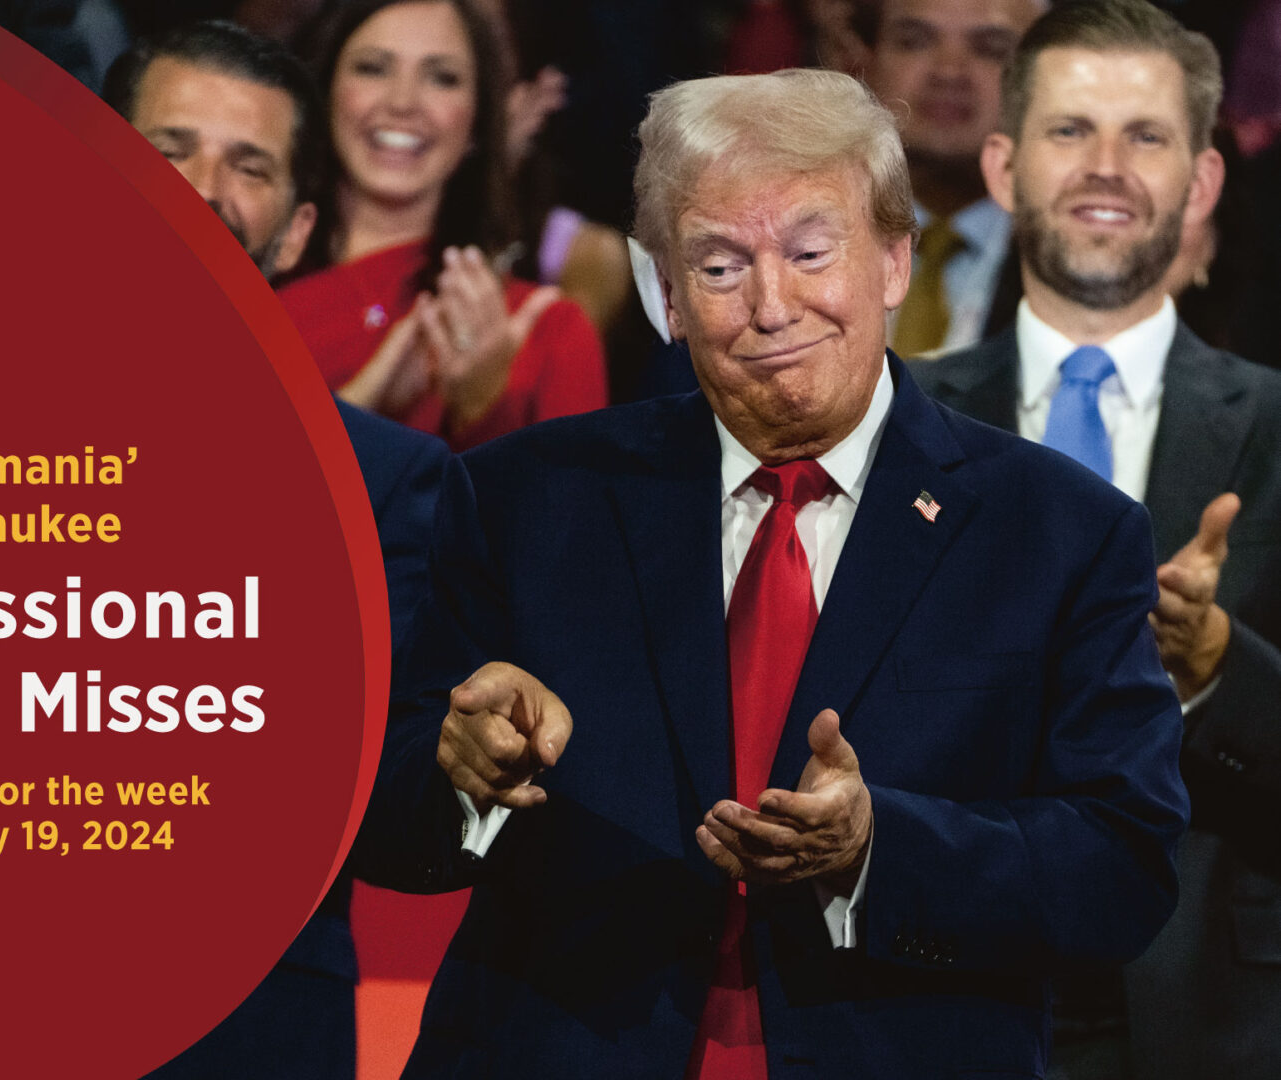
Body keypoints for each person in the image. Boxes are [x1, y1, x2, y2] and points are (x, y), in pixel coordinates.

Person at [354, 66, 1191, 1079]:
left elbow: (1122, 866)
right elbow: (379, 820)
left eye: (807, 251)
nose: (768, 305)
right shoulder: (521, 500)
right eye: (716, 266)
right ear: (664, 293)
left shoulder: (1059, 531)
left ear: (890, 260)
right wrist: (460, 772)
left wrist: (882, 845)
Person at [910, 3, 1281, 1077]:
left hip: (1212, 1020)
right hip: (936, 997)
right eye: (1069, 130)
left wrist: (1217, 672)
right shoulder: (893, 425)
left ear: (1201, 184)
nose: (1104, 167)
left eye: (1145, 136)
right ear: (1001, 166)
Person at [103, 22, 450, 1078]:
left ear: (296, 230)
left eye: (246, 165)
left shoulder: (386, 484)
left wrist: (466, 766)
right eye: (168, 148)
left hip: (238, 1039)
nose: (202, 187)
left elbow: (403, 822)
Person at [279, 0, 608, 450]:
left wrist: (484, 409)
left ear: (478, 121)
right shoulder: (238, 290)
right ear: (325, 90)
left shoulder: (549, 333)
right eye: (373, 68)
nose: (402, 103)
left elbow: (569, 519)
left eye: (442, 78)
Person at [857, 0, 1047, 356]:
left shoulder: (1070, 257)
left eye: (991, 49)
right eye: (915, 41)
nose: (948, 71)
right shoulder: (796, 239)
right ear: (861, 59)